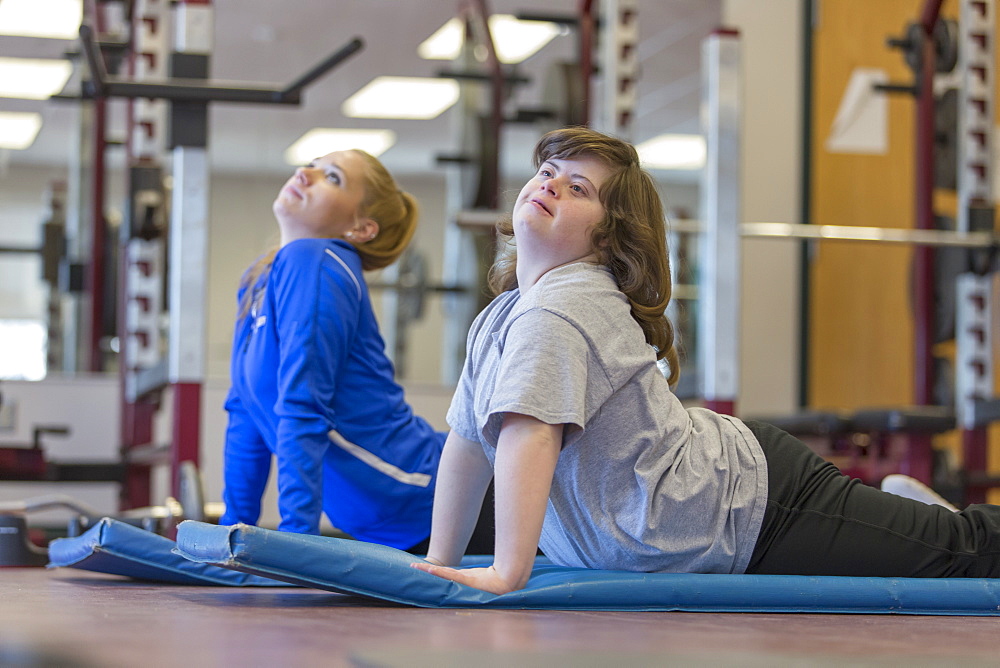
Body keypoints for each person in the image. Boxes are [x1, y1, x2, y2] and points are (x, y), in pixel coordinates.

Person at [411, 126, 1000, 593]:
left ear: (608, 239)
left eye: (578, 188)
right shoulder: (501, 317)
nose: (551, 185)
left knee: (966, 554)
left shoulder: (561, 312)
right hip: (716, 508)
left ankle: (925, 519)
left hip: (758, 504)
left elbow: (528, 436)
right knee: (941, 545)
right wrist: (441, 561)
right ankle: (911, 513)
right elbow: (466, 440)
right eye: (549, 172)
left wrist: (505, 573)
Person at [220, 148, 492, 554]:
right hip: (396, 521)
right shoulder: (259, 277)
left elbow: (302, 407)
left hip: (440, 497)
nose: (305, 174)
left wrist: (297, 541)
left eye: (332, 178)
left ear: (361, 228)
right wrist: (230, 535)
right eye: (312, 165)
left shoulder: (317, 260)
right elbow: (245, 415)